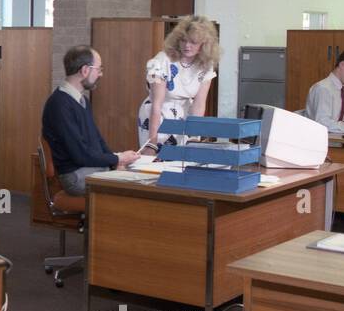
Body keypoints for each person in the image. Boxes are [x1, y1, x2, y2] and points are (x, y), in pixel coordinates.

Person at [41, 45, 140, 195]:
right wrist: (116, 158)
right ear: (85, 70)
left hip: (89, 168)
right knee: (132, 190)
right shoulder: (59, 104)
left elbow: (97, 141)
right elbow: (80, 154)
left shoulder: (83, 101)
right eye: (99, 69)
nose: (100, 74)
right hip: (75, 176)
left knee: (137, 179)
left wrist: (117, 161)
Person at [138, 15, 220, 152]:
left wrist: (194, 137)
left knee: (180, 161)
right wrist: (151, 142)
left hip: (183, 114)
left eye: (193, 42)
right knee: (155, 159)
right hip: (157, 115)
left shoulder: (206, 65)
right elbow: (156, 104)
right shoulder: (162, 61)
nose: (187, 46)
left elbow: (199, 105)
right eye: (183, 40)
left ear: (204, 44)